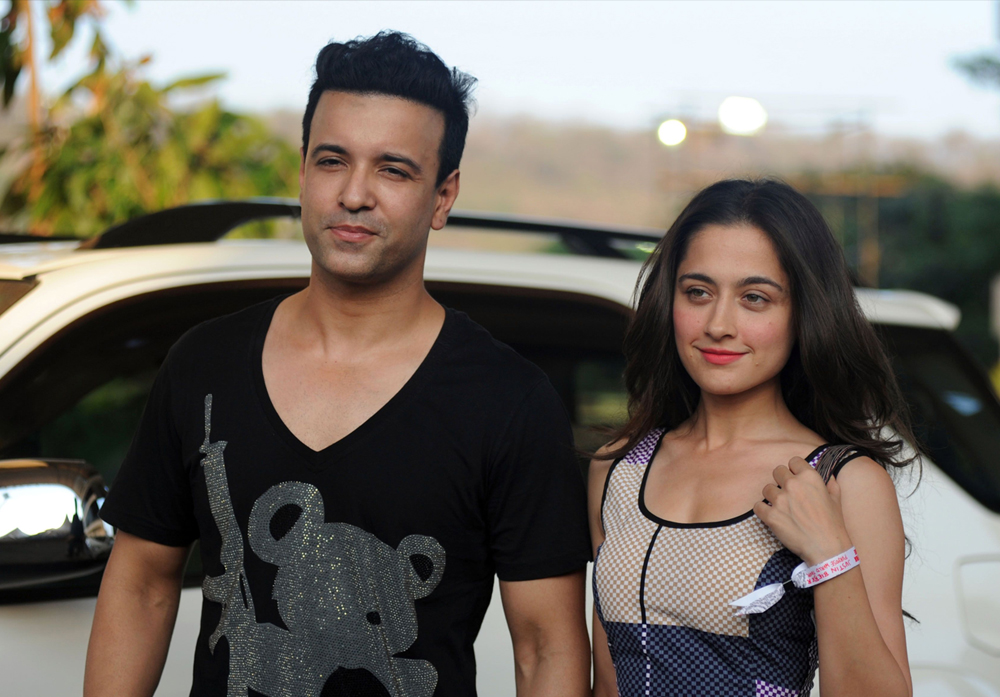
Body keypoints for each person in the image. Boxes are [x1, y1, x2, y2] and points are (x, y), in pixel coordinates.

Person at [85, 31, 591, 697]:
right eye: (332, 160)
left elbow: (545, 646)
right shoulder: (203, 365)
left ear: (443, 196)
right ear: (302, 170)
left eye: (393, 169)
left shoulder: (509, 401)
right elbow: (143, 583)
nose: (355, 194)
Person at [590, 179, 914, 697]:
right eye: (697, 292)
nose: (719, 324)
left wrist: (829, 553)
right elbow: (606, 682)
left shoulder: (843, 481)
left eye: (755, 298)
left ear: (803, 312)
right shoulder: (619, 468)